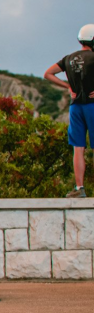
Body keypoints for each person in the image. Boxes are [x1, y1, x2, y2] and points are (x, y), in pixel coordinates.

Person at [44, 23, 94, 198]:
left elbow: (48, 73)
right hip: (92, 106)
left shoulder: (69, 58)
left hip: (75, 107)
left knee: (78, 148)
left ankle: (79, 188)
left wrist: (67, 86)